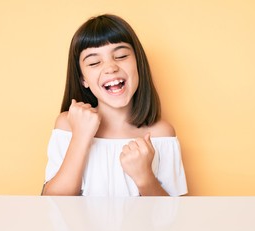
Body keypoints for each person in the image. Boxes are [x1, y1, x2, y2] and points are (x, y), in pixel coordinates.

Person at [42, 14, 187, 196]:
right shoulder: (68, 124)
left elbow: (173, 216)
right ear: (83, 79)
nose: (110, 67)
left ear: (138, 65)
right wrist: (80, 138)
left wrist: (144, 177)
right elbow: (52, 203)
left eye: (121, 56)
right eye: (94, 62)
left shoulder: (161, 134)